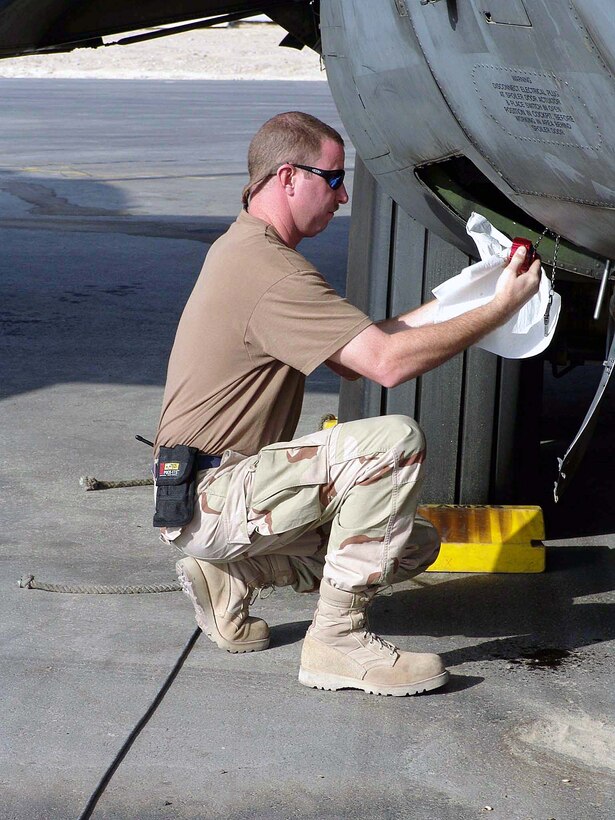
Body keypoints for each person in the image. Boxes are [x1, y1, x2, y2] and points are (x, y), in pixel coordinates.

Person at [154, 111, 540, 697]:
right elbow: (387, 363)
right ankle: (335, 642)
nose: (343, 195)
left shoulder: (250, 250)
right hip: (217, 494)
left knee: (412, 545)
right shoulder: (270, 272)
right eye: (332, 178)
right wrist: (502, 310)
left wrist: (469, 296)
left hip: (210, 493)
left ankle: (234, 573)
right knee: (392, 443)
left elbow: (358, 348)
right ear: (288, 178)